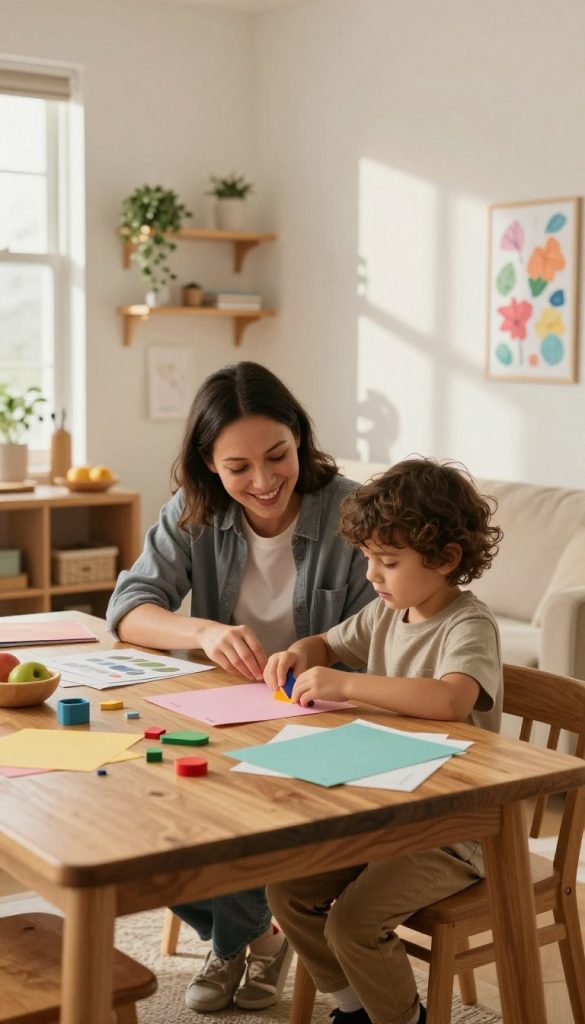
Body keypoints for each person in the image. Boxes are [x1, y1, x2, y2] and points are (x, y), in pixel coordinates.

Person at [106, 360, 374, 1013]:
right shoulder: (192, 511)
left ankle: (238, 938)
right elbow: (129, 606)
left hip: (327, 722)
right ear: (209, 465)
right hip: (228, 713)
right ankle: (253, 931)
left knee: (215, 814)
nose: (262, 481)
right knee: (137, 815)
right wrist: (200, 631)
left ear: (300, 440)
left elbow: (387, 636)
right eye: (237, 468)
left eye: (277, 456)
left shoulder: (353, 513)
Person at [263, 457, 504, 1024]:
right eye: (369, 558)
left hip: (455, 830)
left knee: (352, 923)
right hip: (386, 815)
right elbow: (326, 641)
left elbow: (451, 700)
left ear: (446, 560)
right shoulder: (387, 612)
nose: (372, 574)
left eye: (388, 562)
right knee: (287, 891)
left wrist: (347, 681)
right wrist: (301, 652)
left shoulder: (468, 625)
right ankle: (355, 1009)